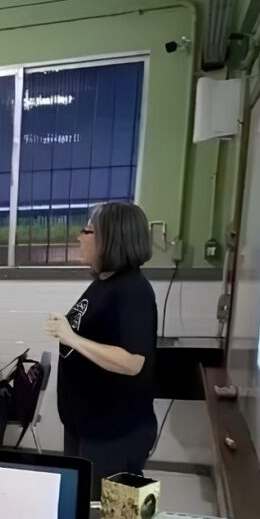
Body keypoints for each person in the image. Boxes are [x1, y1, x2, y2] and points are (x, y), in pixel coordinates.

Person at [44, 202, 158, 499]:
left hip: (114, 434)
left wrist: (73, 338)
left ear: (112, 238)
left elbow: (132, 362)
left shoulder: (133, 291)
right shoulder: (105, 283)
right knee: (82, 510)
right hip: (86, 426)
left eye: (88, 230)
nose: (80, 236)